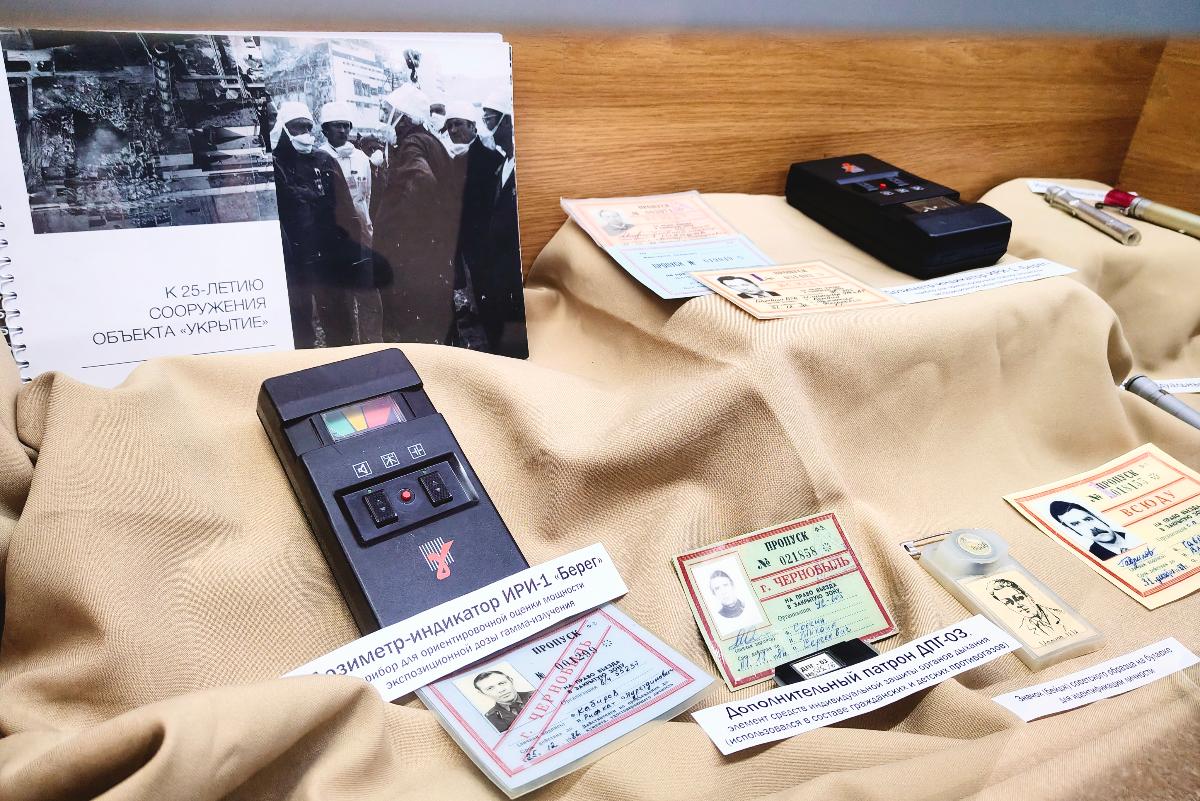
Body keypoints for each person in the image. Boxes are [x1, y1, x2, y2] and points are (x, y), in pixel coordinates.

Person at [372, 85, 467, 343]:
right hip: (435, 251)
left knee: (419, 325)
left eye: (388, 112)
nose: (384, 119)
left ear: (403, 117)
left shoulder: (412, 143)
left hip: (417, 256)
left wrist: (405, 232)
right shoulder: (429, 140)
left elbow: (422, 181)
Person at [270, 100, 364, 348]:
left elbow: (345, 208)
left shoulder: (324, 160)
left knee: (339, 318)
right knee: (300, 325)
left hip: (327, 255)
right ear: (284, 129)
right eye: (297, 127)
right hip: (296, 260)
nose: (305, 134)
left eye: (307, 127)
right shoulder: (276, 164)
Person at [451, 91, 526, 356]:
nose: (486, 127)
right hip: (493, 258)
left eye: (489, 119)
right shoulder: (505, 163)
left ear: (507, 121)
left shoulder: (517, 164)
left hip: (509, 264)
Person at [318, 100, 381, 344]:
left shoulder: (361, 158)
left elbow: (367, 195)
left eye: (346, 126)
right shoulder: (319, 158)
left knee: (368, 293)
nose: (343, 131)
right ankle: (349, 346)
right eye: (337, 126)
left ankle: (372, 342)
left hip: (362, 235)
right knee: (342, 297)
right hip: (334, 239)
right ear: (325, 129)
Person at [1048, 501, 1142, 561]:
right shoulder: (1094, 557)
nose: (1092, 528)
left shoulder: (1137, 531)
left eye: (1088, 519)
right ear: (1073, 530)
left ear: (1097, 517)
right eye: (1076, 524)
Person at [987, 577, 1072, 639]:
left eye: (1019, 598)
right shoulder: (1022, 631)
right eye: (1008, 602)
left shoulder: (1063, 614)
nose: (1018, 605)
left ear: (1028, 596)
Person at [707, 569, 760, 635]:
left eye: (725, 585)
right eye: (717, 588)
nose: (723, 592)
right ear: (714, 593)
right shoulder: (718, 619)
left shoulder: (750, 606)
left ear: (732, 586)